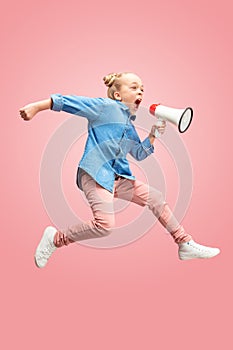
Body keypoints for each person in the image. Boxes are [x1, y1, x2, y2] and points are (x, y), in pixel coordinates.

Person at [19, 72, 220, 268]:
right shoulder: (105, 107)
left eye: (142, 89)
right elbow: (71, 102)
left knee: (156, 198)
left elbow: (139, 153)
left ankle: (184, 243)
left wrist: (153, 135)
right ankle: (55, 239)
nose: (140, 92)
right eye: (134, 88)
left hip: (119, 178)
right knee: (105, 226)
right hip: (95, 173)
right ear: (117, 95)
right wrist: (37, 107)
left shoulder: (129, 126)